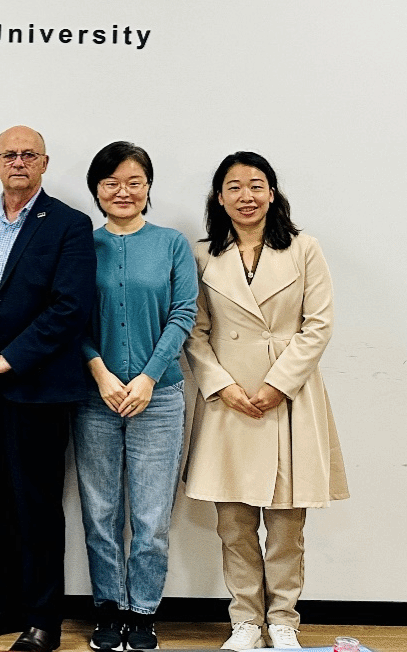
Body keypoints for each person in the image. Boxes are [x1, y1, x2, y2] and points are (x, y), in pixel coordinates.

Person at [183, 152, 349, 652]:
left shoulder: (304, 249)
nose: (246, 196)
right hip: (228, 400)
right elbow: (194, 330)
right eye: (234, 187)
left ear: (272, 194)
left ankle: (283, 620)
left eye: (256, 186)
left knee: (285, 525)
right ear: (219, 197)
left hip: (289, 399)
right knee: (233, 523)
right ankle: (245, 621)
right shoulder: (203, 255)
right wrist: (222, 386)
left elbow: (318, 324)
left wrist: (279, 384)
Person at [0, 126, 95, 652]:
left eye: (30, 154)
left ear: (45, 163)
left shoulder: (70, 224)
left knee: (36, 506)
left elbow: (70, 307)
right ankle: (7, 601)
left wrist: (10, 359)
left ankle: (43, 618)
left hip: (36, 390)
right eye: (10, 154)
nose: (19, 162)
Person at [74, 142, 197, 652]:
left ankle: (143, 612)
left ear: (148, 187)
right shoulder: (82, 245)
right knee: (99, 512)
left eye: (134, 182)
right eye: (111, 183)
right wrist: (101, 373)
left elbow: (184, 313)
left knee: (151, 517)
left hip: (159, 399)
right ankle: (108, 607)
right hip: (95, 398)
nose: (123, 192)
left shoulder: (171, 243)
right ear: (96, 190)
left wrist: (148, 377)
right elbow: (70, 316)